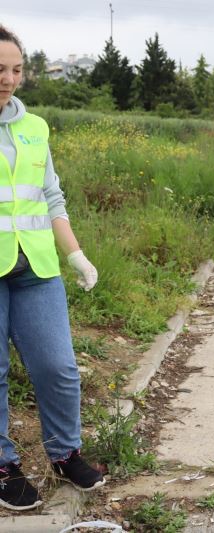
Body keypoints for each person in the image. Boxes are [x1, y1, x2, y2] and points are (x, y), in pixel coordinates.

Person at [0, 26, 105, 510]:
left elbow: (50, 197)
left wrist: (75, 253)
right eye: (0, 69)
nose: (9, 79)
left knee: (59, 367)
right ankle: (3, 465)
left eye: (16, 69)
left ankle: (64, 454)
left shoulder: (35, 127)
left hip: (35, 267)